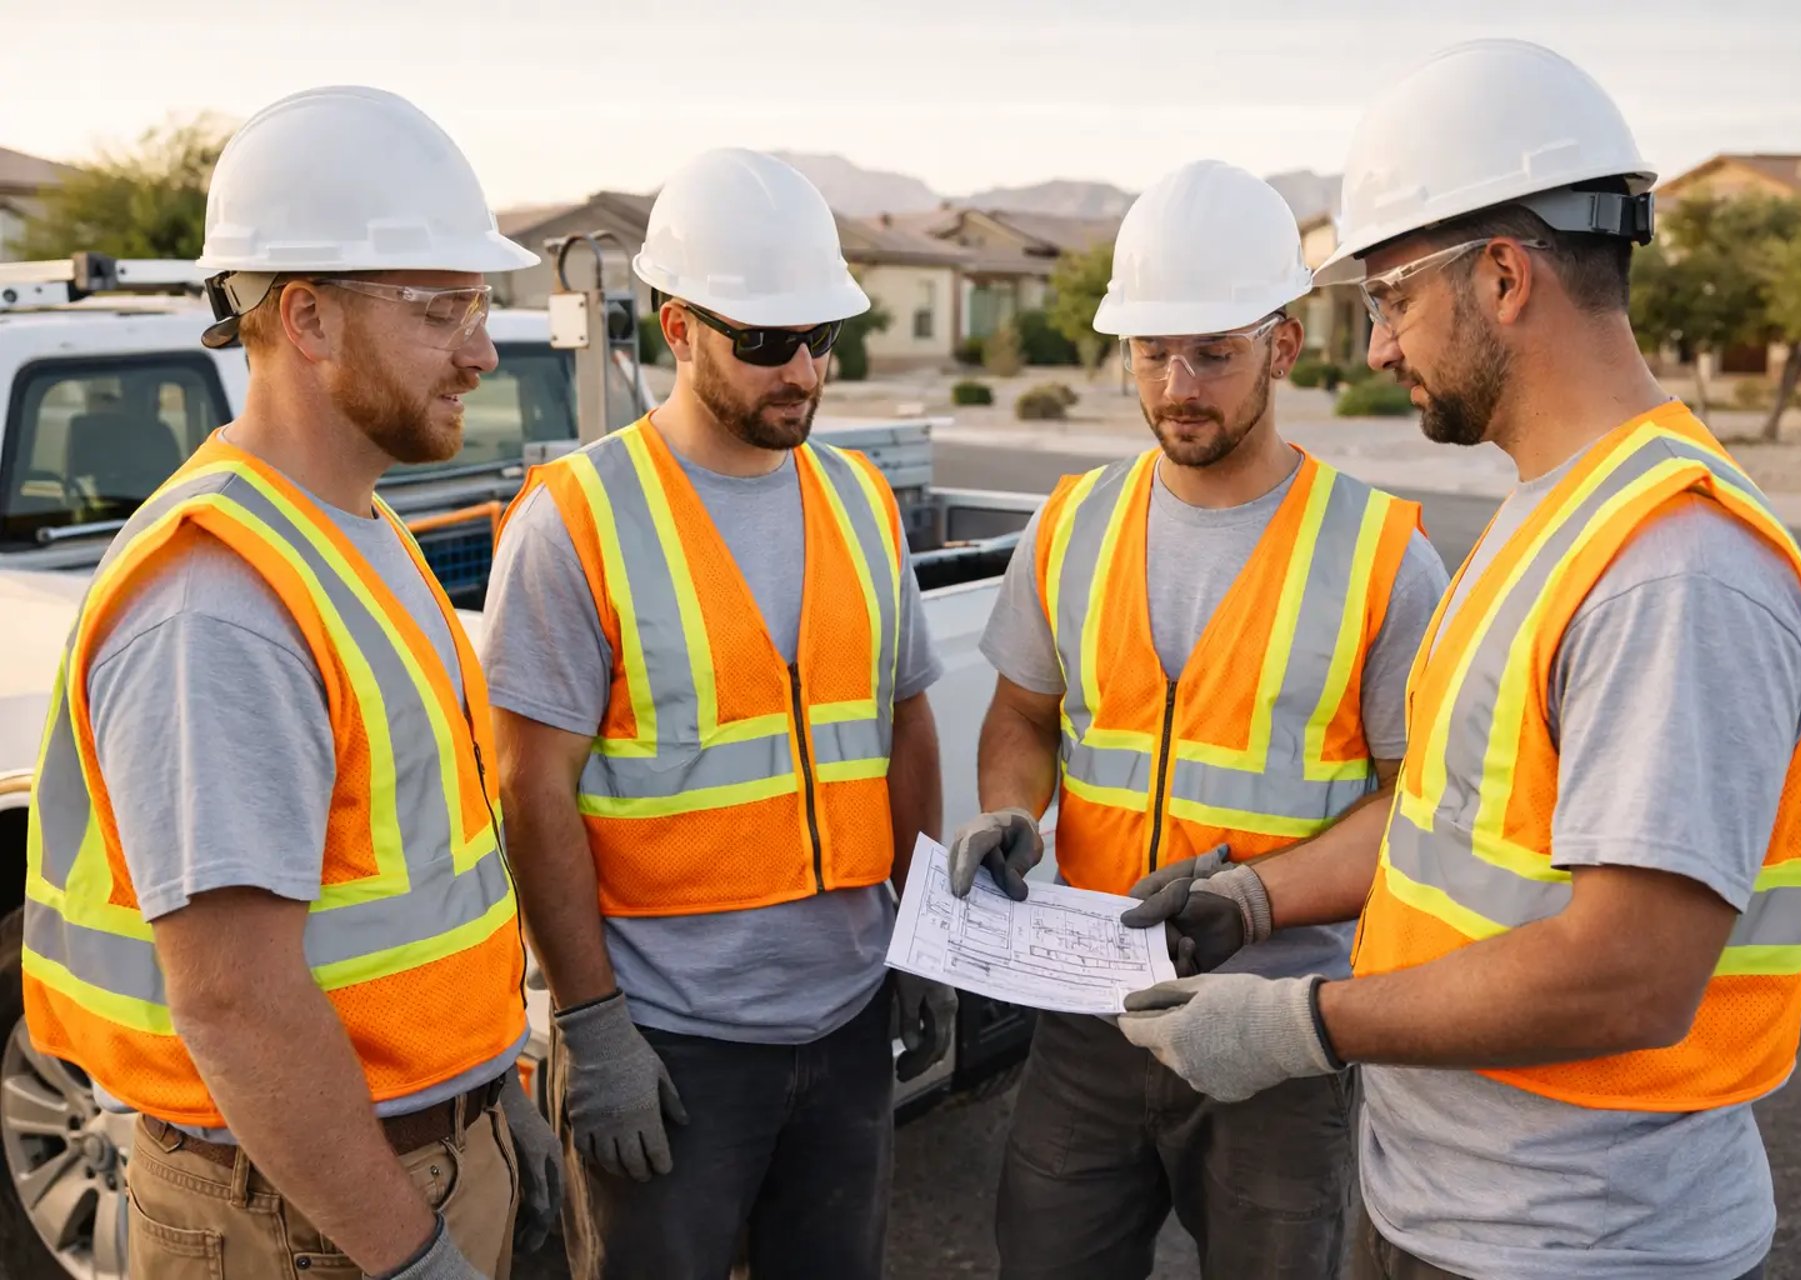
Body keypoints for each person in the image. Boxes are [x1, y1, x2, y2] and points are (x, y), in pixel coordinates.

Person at [1118, 40, 1801, 1280]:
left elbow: (1628, 976)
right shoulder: (1554, 511)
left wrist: (1306, 1020)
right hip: (1455, 1202)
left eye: (1390, 297)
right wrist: (1260, 896)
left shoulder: (1674, 570)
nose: (1383, 346)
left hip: (1576, 1238)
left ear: (1503, 275)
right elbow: (1440, 826)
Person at [20, 86, 563, 1280]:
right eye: (445, 309)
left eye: (480, 305)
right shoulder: (220, 606)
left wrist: (488, 1095)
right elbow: (234, 1002)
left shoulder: (352, 528)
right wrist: (408, 1251)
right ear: (306, 318)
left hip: (394, 1163)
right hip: (307, 1217)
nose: (482, 348)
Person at [949, 158, 1449, 1279]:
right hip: (1089, 1012)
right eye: (1151, 350)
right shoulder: (1073, 522)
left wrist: (1256, 898)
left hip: (1276, 1034)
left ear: (1284, 342)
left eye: (1213, 352)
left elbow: (1418, 808)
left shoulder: (1382, 559)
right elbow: (1024, 713)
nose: (1179, 383)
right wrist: (1008, 811)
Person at [481, 146, 952, 1280]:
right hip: (670, 1043)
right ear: (677, 326)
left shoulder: (859, 502)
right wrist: (592, 1027)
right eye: (763, 341)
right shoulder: (579, 520)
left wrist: (926, 939)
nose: (800, 370)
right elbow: (530, 786)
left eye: (820, 337)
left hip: (844, 1024)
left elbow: (906, 729)